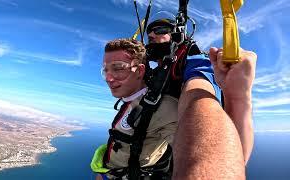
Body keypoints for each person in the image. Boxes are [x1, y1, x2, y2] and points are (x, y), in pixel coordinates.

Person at [146, 17, 254, 164]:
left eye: (160, 30)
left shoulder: (194, 59)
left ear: (177, 35)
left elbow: (198, 89)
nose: (151, 35)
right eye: (149, 34)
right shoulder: (156, 72)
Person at [91, 38, 178, 180]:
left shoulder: (164, 107)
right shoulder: (129, 99)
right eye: (105, 70)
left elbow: (193, 155)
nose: (108, 78)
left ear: (139, 70)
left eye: (118, 68)